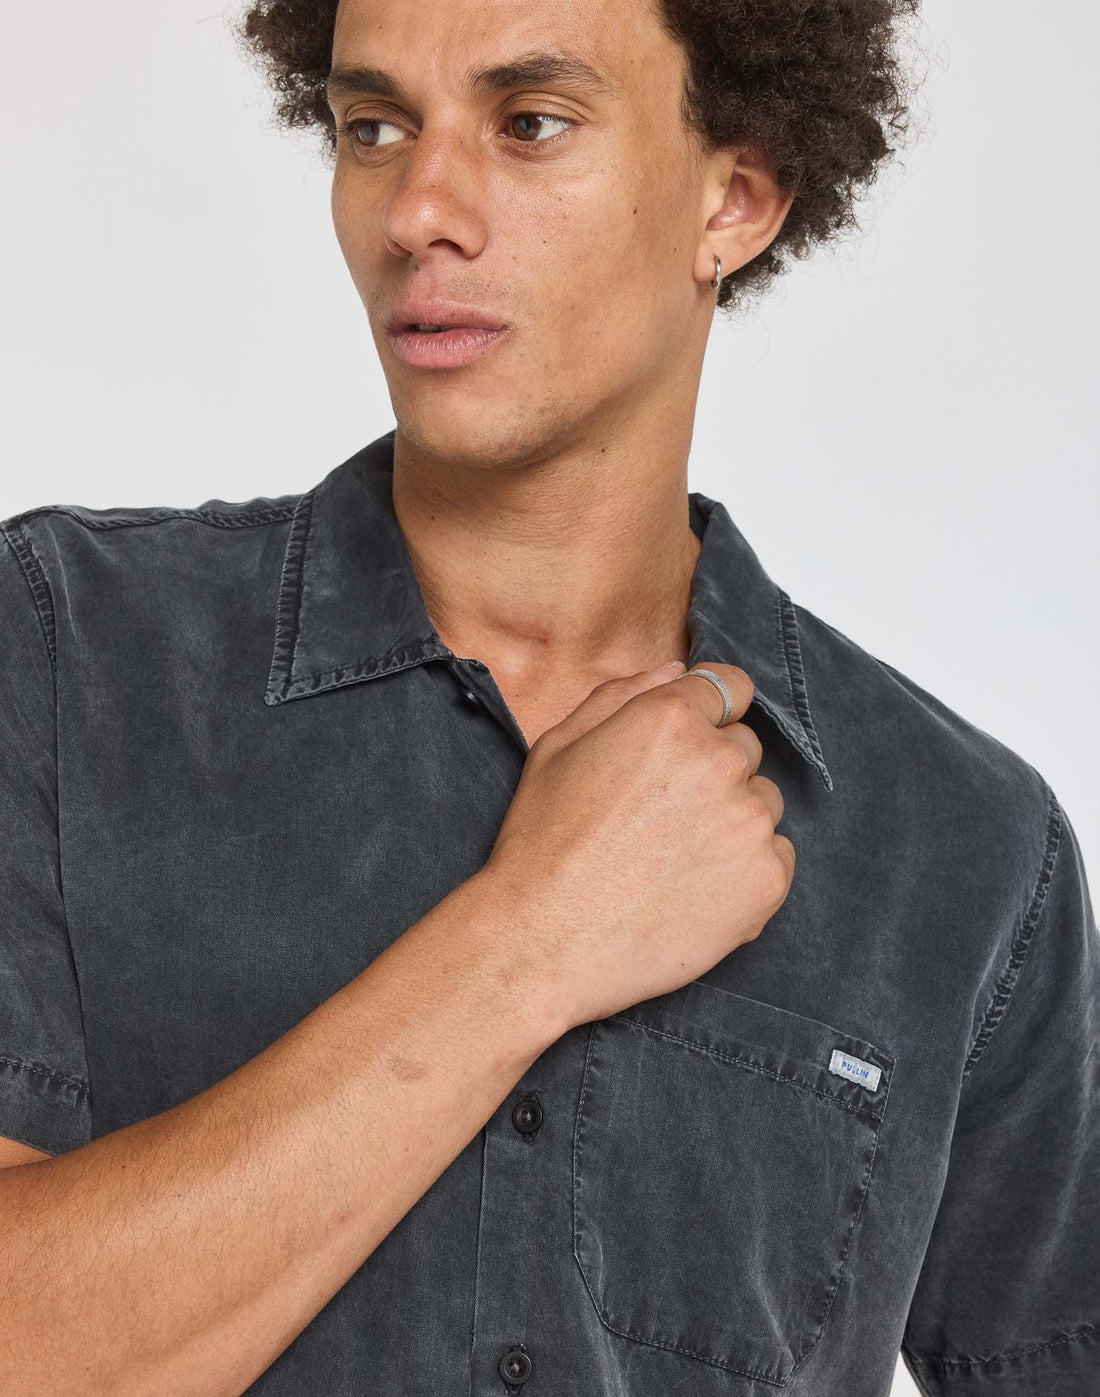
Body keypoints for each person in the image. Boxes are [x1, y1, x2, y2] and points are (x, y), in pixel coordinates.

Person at [0, 0, 1095, 1393]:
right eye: (373, 128)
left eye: (528, 123)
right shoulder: (64, 651)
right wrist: (532, 938)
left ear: (735, 200)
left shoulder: (965, 848)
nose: (418, 211)